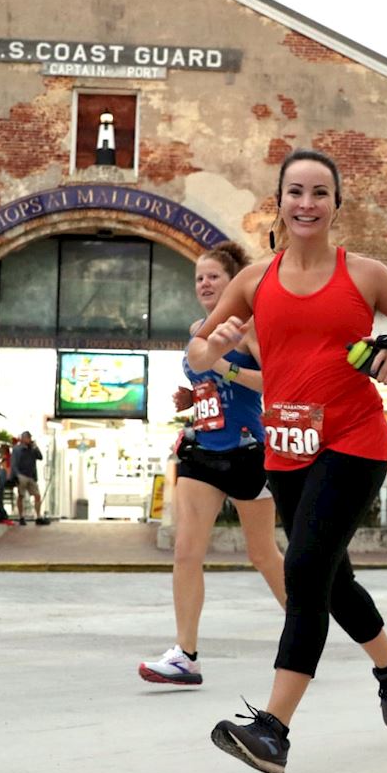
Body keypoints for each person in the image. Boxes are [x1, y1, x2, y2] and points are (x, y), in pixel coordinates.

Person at [195, 149, 387, 773]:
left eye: (320, 193)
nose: (306, 204)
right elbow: (199, 352)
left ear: (337, 204)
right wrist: (215, 343)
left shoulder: (364, 274)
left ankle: (273, 730)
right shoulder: (252, 281)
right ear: (277, 202)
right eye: (295, 193)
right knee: (330, 578)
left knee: (304, 570)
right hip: (286, 452)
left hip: (355, 442)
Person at [138, 242, 287, 687]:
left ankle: (304, 631)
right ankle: (186, 655)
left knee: (262, 554)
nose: (204, 283)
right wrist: (193, 396)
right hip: (202, 449)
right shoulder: (197, 329)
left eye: (213, 277)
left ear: (234, 283)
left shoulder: (252, 327)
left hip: (247, 452)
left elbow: (274, 382)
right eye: (199, 277)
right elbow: (208, 384)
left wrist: (224, 368)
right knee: (186, 551)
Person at [10, 431, 49, 525]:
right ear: (23, 438)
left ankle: (38, 516)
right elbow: (14, 463)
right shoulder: (17, 449)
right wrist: (16, 475)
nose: (29, 439)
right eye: (27, 438)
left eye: (30, 438)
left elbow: (40, 457)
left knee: (37, 495)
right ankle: (21, 516)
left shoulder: (32, 449)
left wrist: (35, 447)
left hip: (31, 476)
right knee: (21, 496)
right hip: (22, 475)